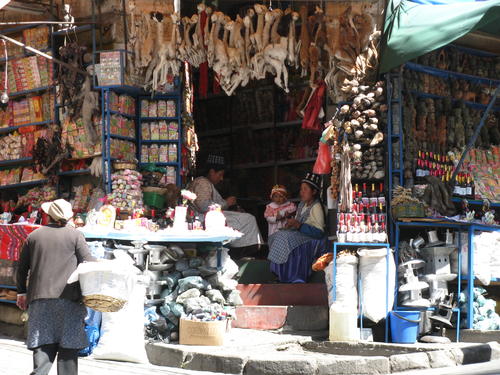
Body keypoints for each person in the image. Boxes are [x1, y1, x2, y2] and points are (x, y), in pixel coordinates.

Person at [16, 199, 95, 375]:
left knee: (43, 352)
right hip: (70, 301)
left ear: (48, 215)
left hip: (40, 300)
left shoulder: (34, 236)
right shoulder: (75, 235)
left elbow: (21, 269)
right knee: (68, 350)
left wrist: (21, 292)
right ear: (69, 217)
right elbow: (89, 263)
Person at [188, 154, 262, 250]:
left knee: (245, 217)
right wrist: (226, 203)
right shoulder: (203, 182)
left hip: (209, 217)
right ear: (212, 172)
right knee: (248, 219)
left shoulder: (206, 183)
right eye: (220, 175)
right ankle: (243, 250)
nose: (221, 178)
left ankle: (245, 249)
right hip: (204, 220)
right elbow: (203, 205)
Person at [267, 173, 327, 283]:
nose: (301, 192)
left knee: (284, 237)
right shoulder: (301, 205)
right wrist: (291, 224)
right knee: (277, 235)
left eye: (305, 189)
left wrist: (298, 225)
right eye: (301, 189)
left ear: (314, 192)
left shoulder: (316, 207)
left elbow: (319, 233)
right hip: (301, 233)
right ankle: (280, 274)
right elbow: (297, 221)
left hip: (311, 238)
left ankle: (291, 276)